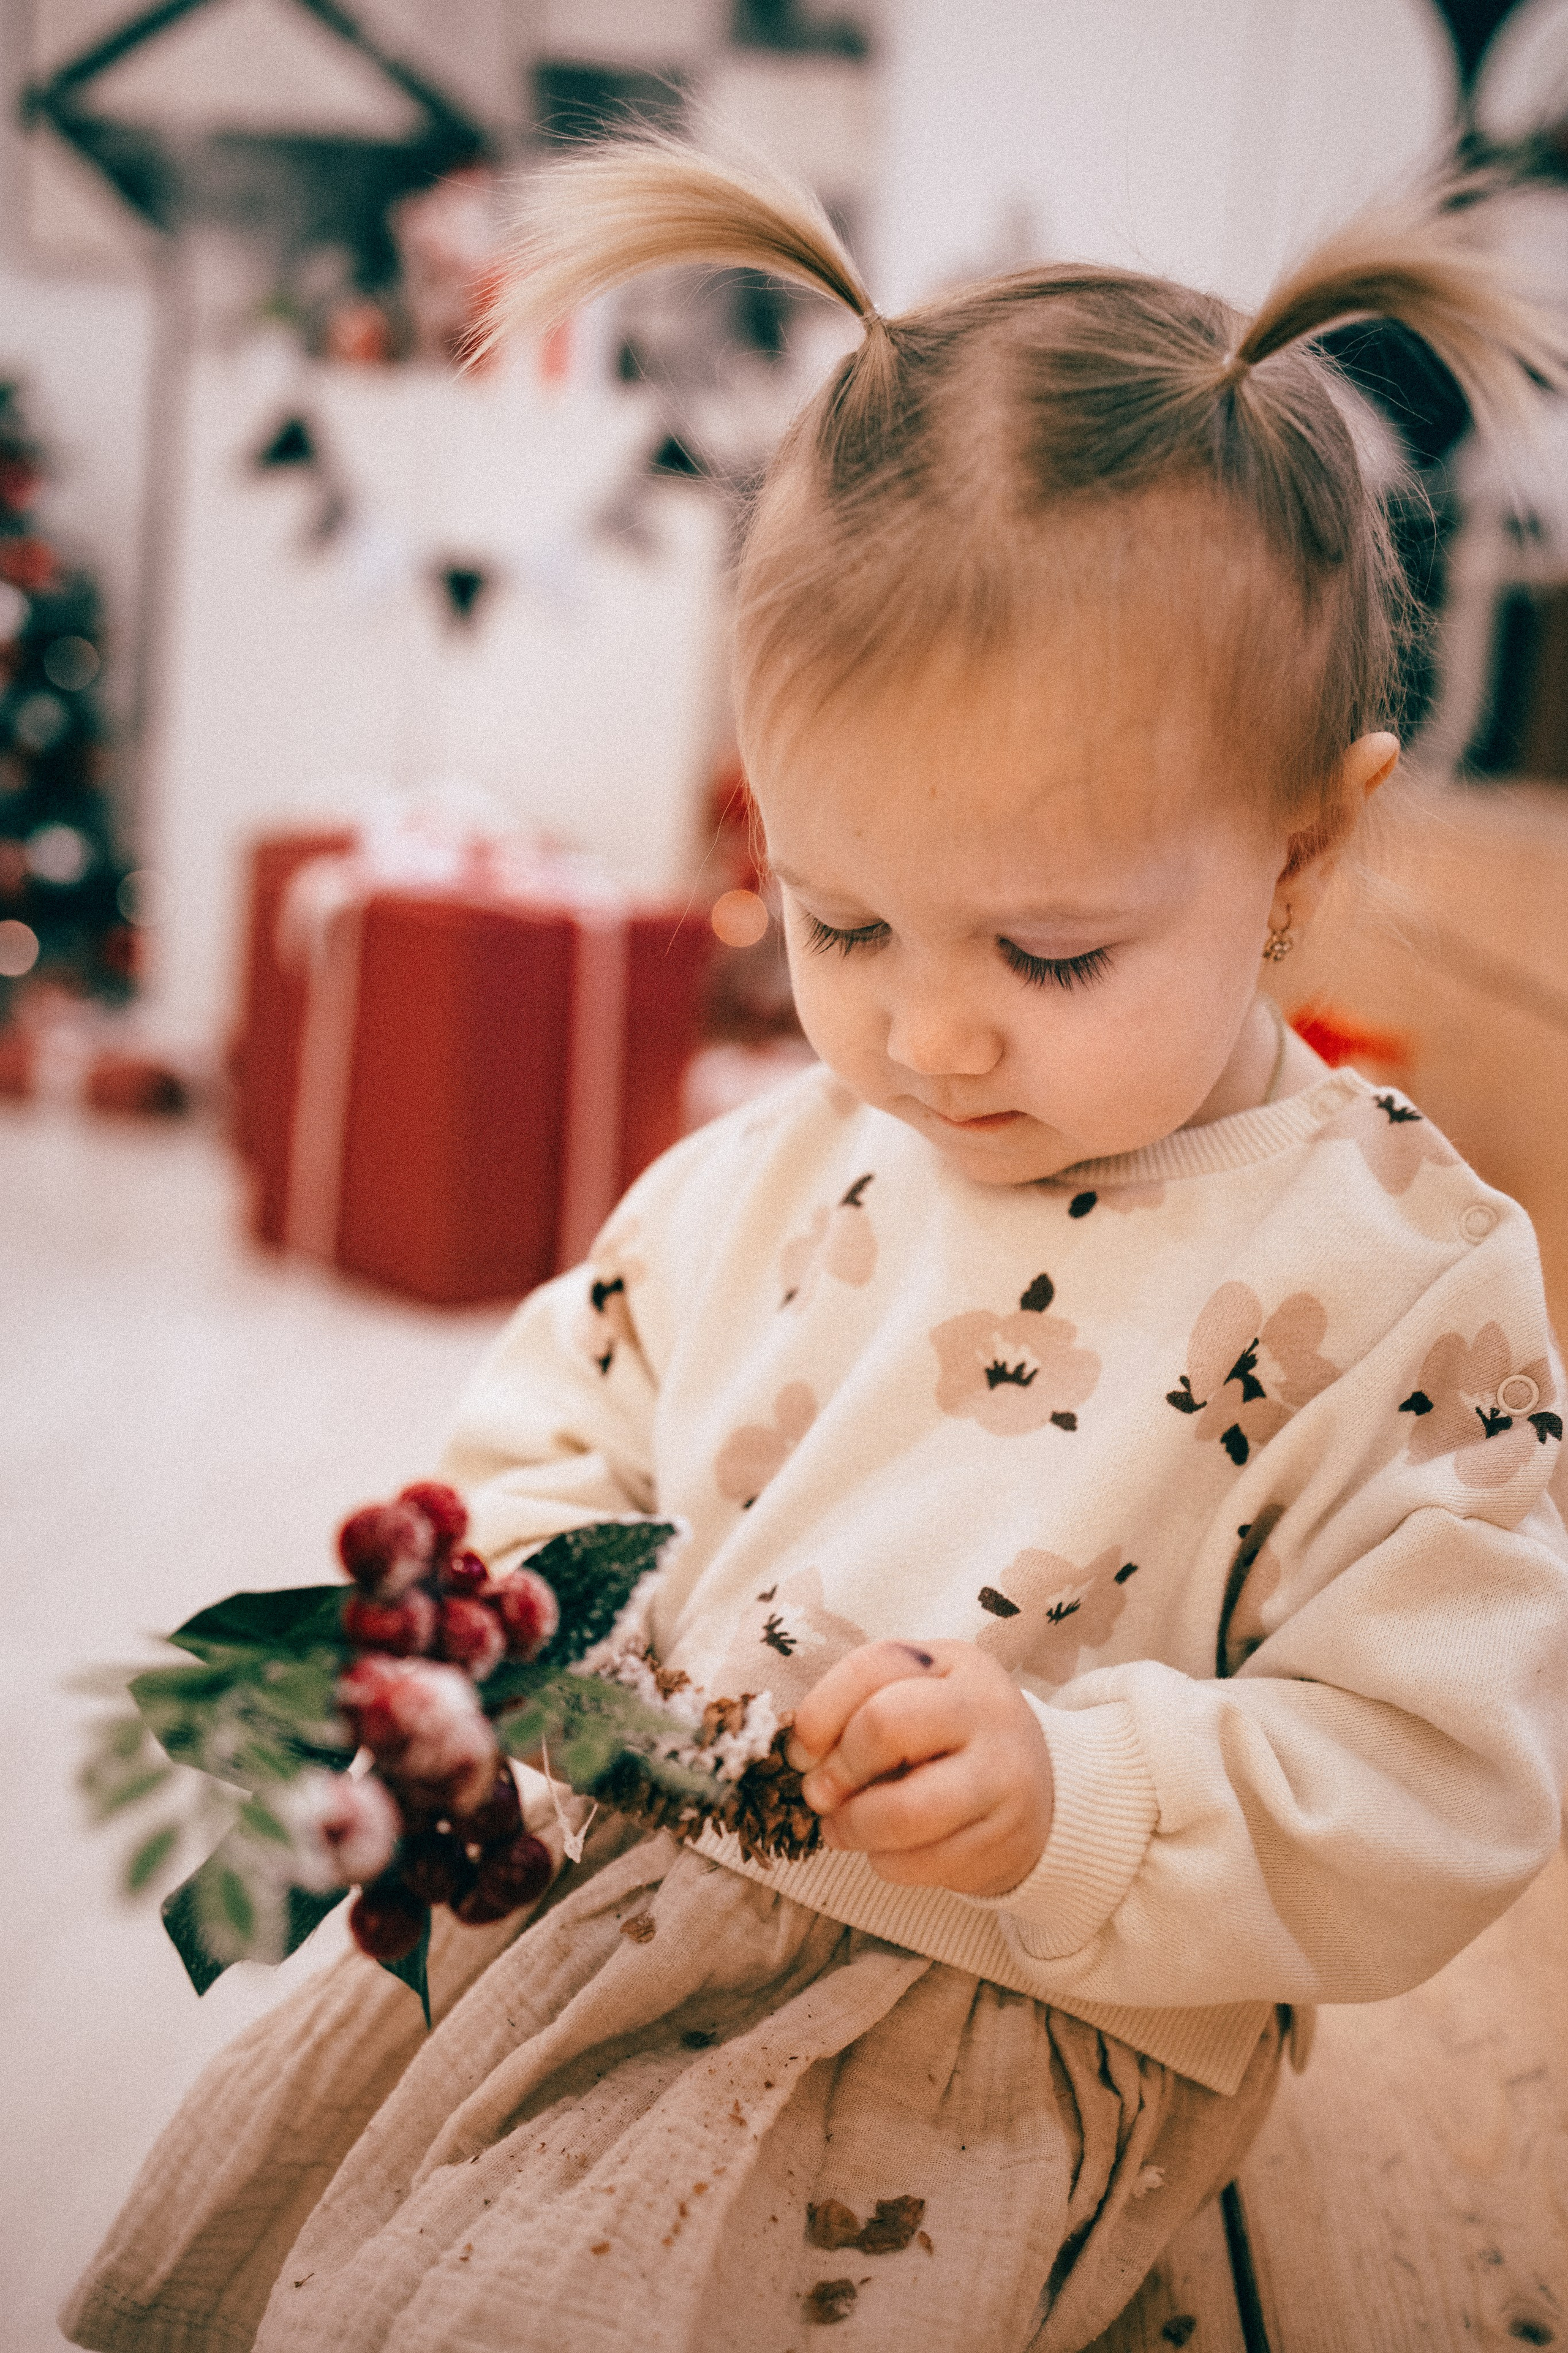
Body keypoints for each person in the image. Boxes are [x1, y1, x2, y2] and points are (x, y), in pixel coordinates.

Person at [65, 146, 1568, 2353]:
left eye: (1050, 951)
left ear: (1304, 847)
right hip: (595, 1938)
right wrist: (524, 1621)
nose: (925, 1036)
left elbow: (1440, 1775)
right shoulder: (781, 1165)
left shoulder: (1403, 1283)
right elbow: (557, 1423)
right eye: (843, 919)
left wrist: (1073, 1793)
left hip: (973, 2060)